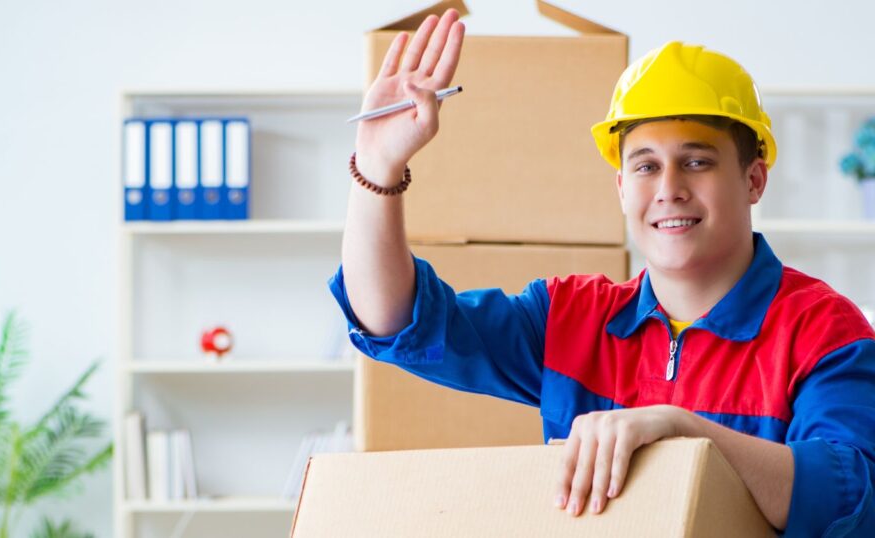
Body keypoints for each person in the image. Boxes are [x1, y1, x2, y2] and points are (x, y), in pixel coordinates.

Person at [329, 8, 875, 537]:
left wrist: (685, 433)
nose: (668, 189)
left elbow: (853, 501)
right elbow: (397, 321)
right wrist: (377, 167)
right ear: (621, 188)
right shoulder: (570, 319)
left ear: (754, 180)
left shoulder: (824, 332)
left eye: (697, 161)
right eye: (645, 166)